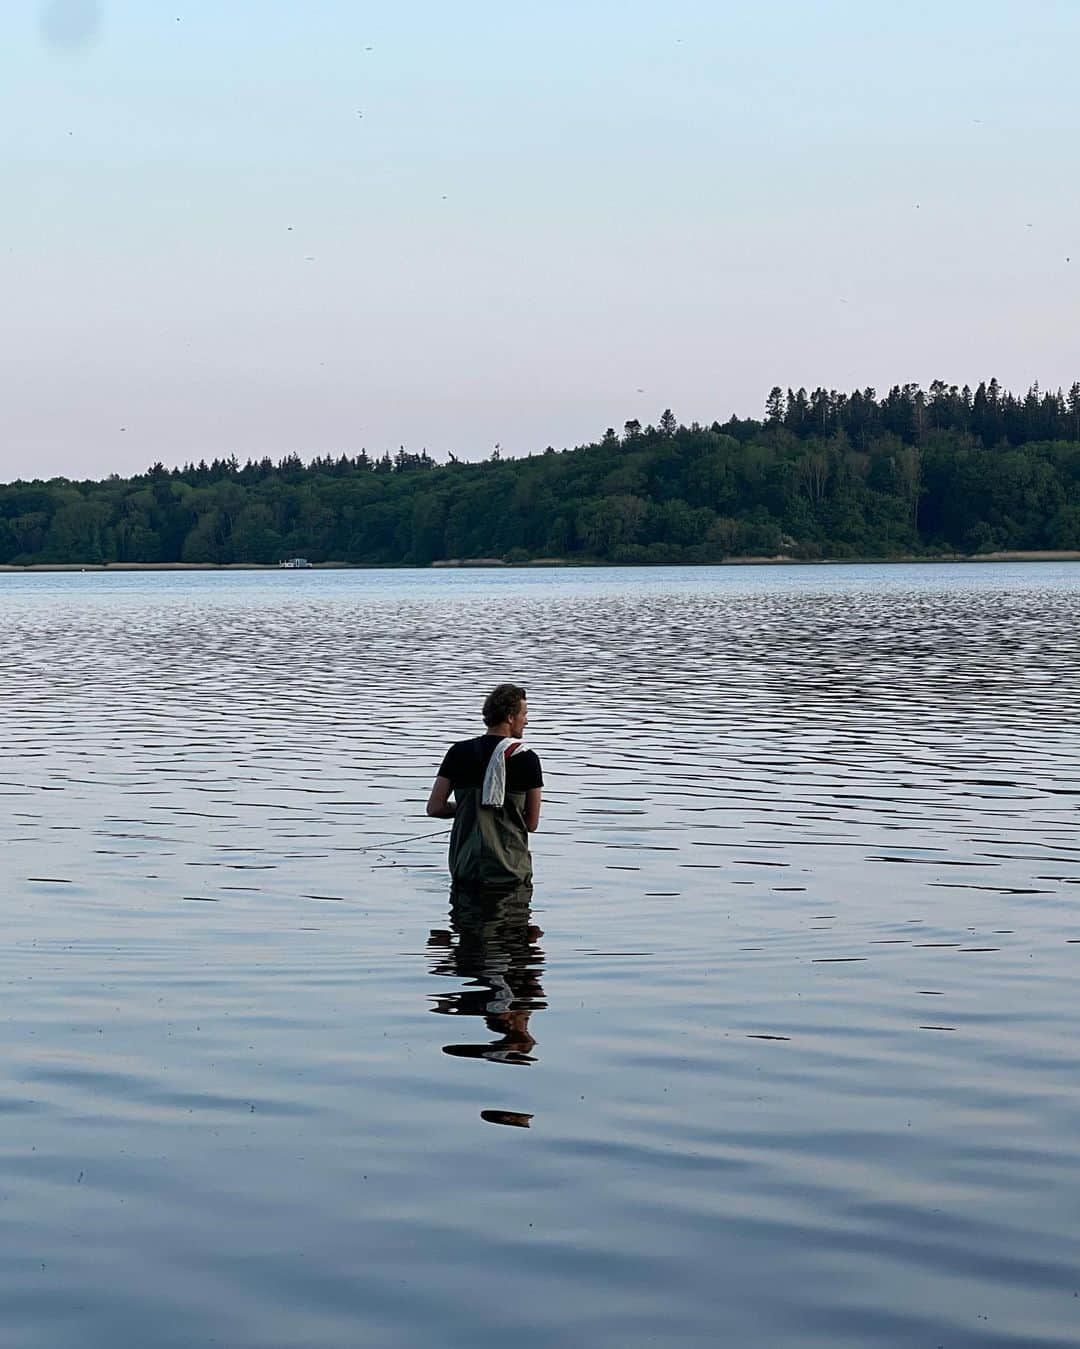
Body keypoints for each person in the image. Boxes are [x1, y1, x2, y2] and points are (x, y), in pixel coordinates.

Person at [426, 683, 543, 888]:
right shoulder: (527, 759)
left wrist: (468, 807)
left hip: (466, 867)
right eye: (524, 714)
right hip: (510, 870)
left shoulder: (458, 752)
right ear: (510, 717)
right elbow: (531, 823)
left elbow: (435, 807)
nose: (527, 720)